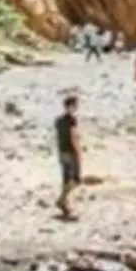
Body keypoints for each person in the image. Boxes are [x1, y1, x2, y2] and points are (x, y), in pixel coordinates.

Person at [54, 92, 85, 221]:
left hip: (61, 151)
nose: (76, 107)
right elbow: (73, 137)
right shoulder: (72, 120)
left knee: (66, 179)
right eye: (75, 105)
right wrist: (79, 153)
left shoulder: (58, 120)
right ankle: (61, 200)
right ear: (71, 106)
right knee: (76, 179)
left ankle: (64, 203)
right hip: (70, 151)